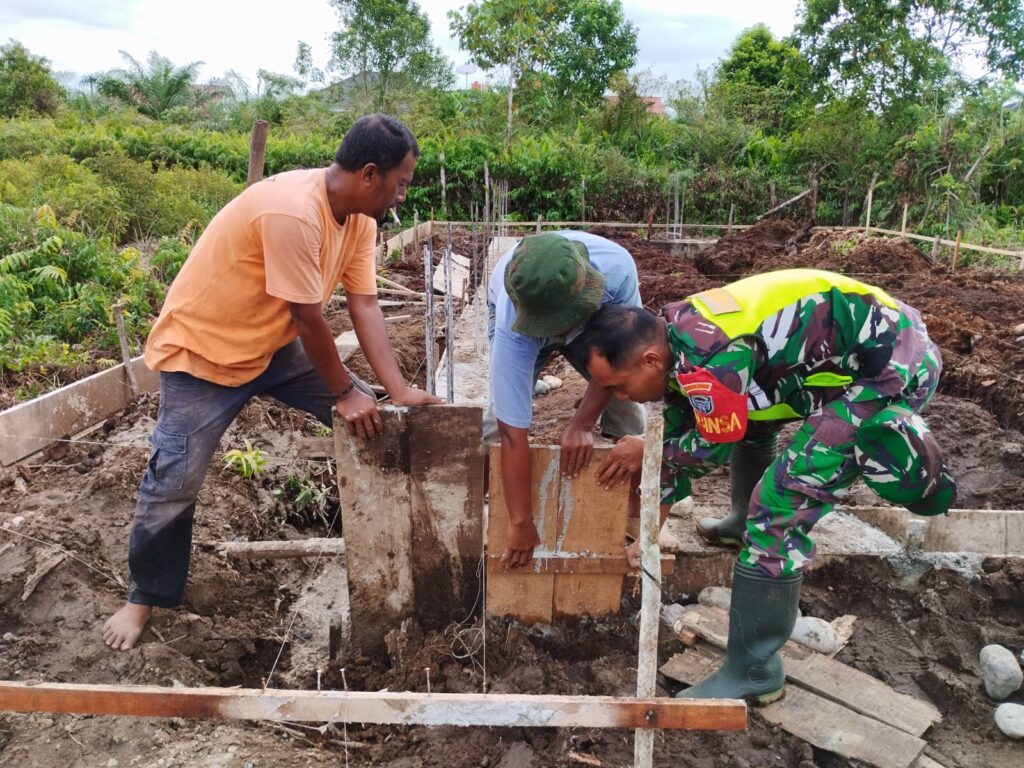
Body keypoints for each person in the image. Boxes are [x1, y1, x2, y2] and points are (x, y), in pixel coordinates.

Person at [102, 114, 442, 651]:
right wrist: (343, 390)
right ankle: (142, 599)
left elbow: (365, 303)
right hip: (204, 355)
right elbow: (309, 318)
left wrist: (394, 389)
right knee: (175, 480)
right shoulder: (293, 211)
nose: (402, 195)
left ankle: (399, 550)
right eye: (401, 183)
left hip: (270, 347)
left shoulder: (359, 220)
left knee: (375, 415)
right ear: (370, 174)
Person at [579, 268, 956, 702]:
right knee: (752, 419)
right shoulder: (675, 342)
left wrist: (647, 448)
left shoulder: (712, 357)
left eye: (619, 386)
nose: (620, 398)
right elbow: (691, 433)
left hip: (890, 369)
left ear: (649, 360)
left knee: (781, 501)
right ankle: (742, 524)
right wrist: (647, 537)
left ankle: (754, 671)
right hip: (844, 356)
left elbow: (713, 444)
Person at [486, 231, 647, 568]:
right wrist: (521, 522)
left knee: (629, 407)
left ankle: (633, 513)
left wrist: (582, 423)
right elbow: (512, 432)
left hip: (598, 314)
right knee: (494, 424)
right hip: (520, 321)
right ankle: (496, 509)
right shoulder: (512, 324)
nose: (556, 334)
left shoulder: (617, 278)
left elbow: (621, 363)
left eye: (561, 326)